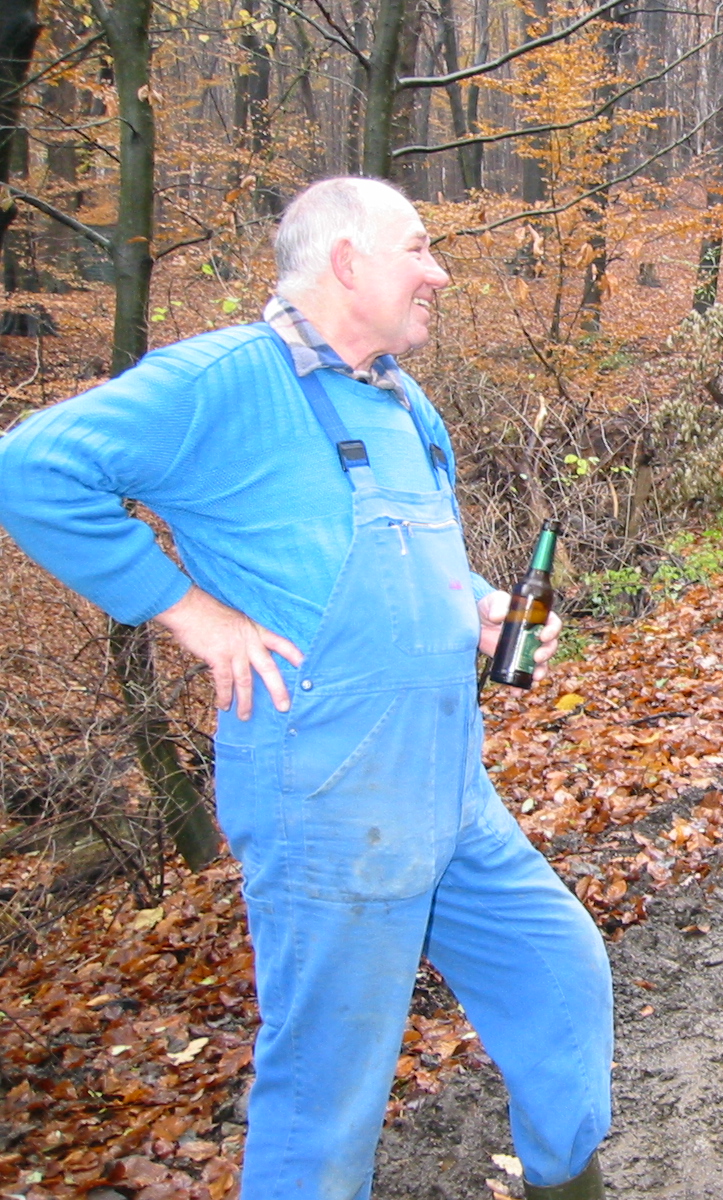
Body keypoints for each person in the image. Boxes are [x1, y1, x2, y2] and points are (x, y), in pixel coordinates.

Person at [0, 178, 612, 1200]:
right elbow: (28, 469)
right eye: (418, 248)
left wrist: (479, 606)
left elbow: (407, 556)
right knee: (328, 1090)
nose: (438, 273)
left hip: (448, 790)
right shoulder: (222, 382)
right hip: (328, 801)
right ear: (347, 260)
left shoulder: (400, 399)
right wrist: (188, 612)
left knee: (560, 976)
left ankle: (567, 1186)